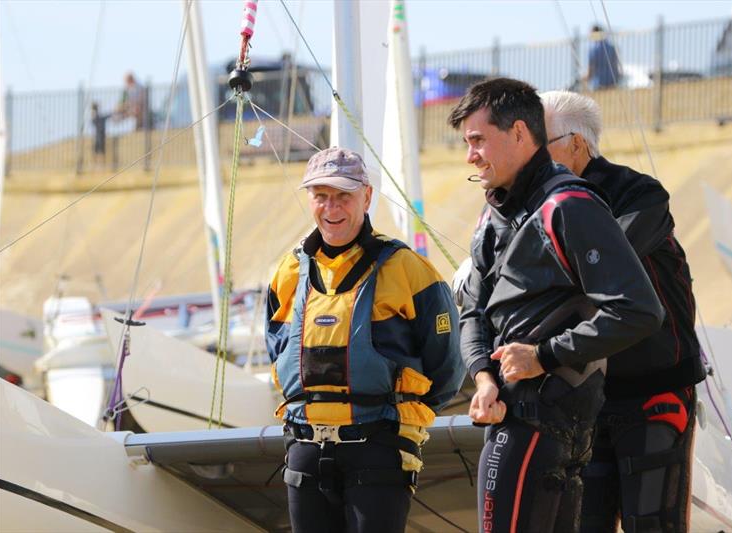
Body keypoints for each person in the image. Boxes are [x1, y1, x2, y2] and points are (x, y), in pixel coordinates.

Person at [448, 77, 664, 533]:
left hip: (544, 423)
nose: (470, 156)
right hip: (513, 413)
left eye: (477, 141)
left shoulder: (569, 205)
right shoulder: (494, 216)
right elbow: (472, 311)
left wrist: (543, 356)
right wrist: (482, 377)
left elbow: (638, 310)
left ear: (522, 134)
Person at [265, 147, 465, 533]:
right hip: (304, 446)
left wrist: (398, 418)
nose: (331, 208)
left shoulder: (407, 268)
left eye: (343, 196)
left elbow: (447, 366)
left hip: (379, 447)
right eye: (321, 196)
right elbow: (276, 347)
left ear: (367, 197)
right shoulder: (288, 270)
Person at [541, 90, 707, 533]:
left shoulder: (640, 193)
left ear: (576, 143)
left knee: (652, 524)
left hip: (656, 388)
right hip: (586, 395)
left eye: (541, 142)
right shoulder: (532, 204)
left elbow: (602, 266)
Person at [586, 25, 622, 90]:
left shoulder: (593, 50)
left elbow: (590, 70)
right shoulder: (612, 48)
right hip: (613, 83)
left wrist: (585, 79)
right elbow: (616, 65)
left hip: (598, 84)